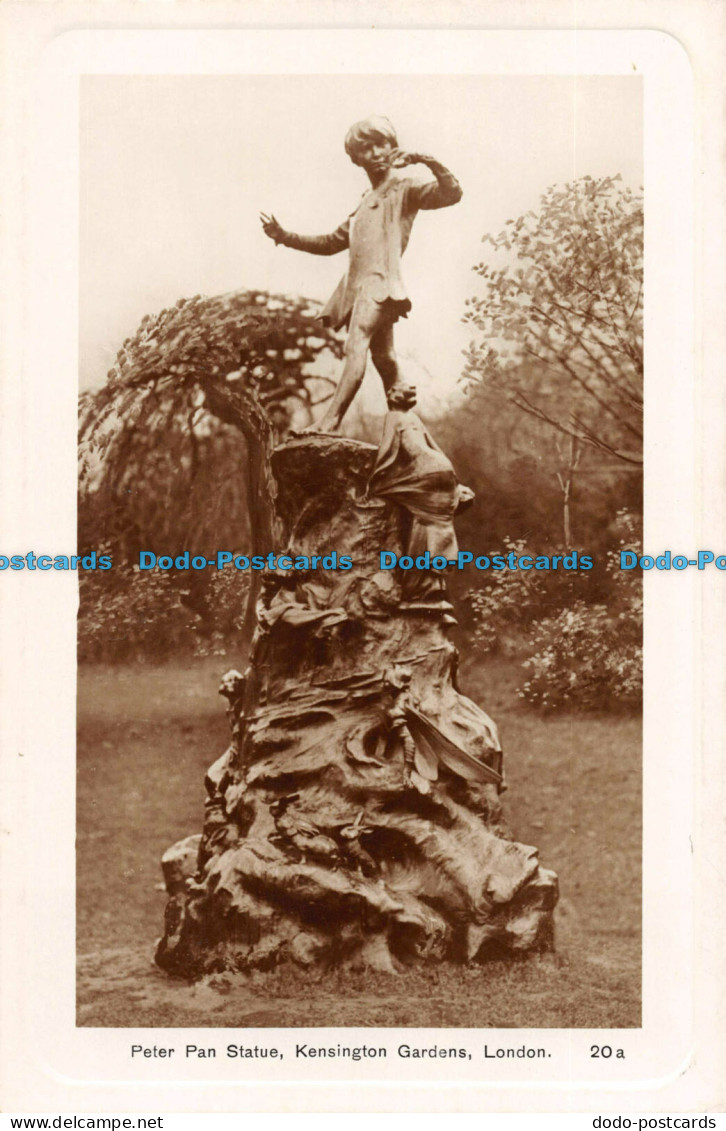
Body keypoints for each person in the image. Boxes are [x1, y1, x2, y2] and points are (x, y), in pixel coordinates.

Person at [260, 115, 462, 433]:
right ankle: (408, 431)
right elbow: (329, 243)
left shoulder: (405, 188)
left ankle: (329, 422)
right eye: (367, 148)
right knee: (385, 359)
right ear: (357, 158)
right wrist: (284, 236)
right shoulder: (365, 202)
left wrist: (425, 159)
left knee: (356, 348)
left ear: (393, 147)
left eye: (382, 144)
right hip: (359, 288)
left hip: (379, 285)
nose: (377, 153)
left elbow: (451, 194)